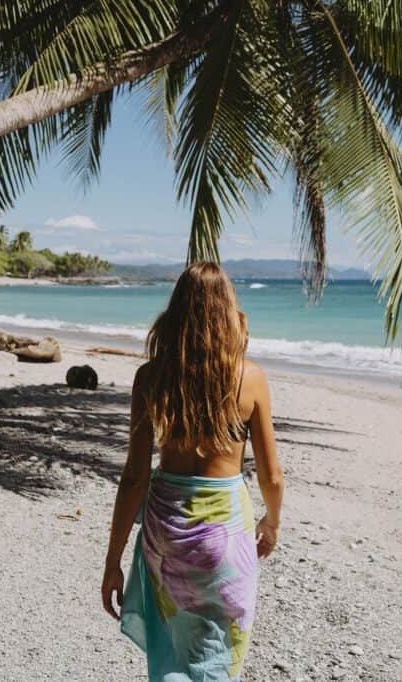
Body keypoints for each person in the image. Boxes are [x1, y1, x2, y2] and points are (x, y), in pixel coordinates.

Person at [102, 261, 284, 680]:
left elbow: (134, 477)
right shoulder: (249, 379)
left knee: (172, 649)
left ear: (177, 309)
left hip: (165, 529)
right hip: (224, 528)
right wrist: (272, 523)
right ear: (228, 311)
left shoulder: (150, 378)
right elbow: (271, 475)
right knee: (219, 653)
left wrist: (113, 561)